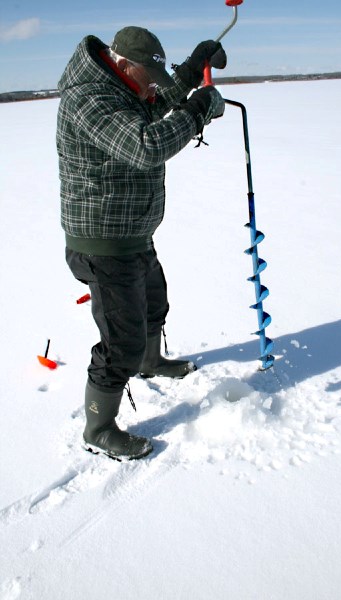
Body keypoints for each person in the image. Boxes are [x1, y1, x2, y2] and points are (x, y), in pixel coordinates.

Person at [56, 26, 227, 461]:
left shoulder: (123, 86)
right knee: (121, 341)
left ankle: (151, 363)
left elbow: (158, 103)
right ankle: (98, 427)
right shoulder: (90, 99)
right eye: (148, 75)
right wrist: (197, 113)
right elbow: (145, 145)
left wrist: (190, 70)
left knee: (154, 303)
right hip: (102, 242)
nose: (153, 83)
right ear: (124, 64)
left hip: (133, 232)